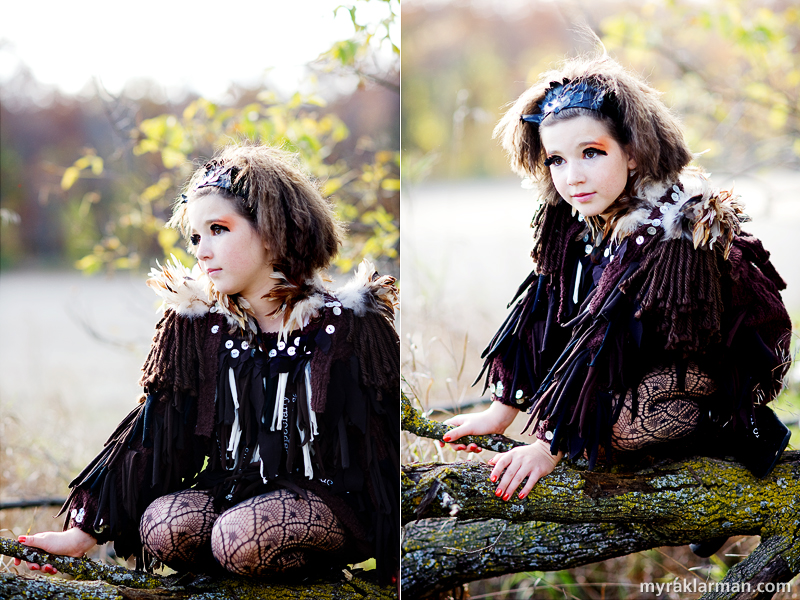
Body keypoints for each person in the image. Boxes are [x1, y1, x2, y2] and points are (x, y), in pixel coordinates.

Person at [442, 54, 792, 546]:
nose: (573, 177)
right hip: (630, 364)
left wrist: (548, 445)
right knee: (590, 419)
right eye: (557, 160)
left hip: (698, 373)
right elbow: (544, 314)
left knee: (615, 429)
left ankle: (732, 440)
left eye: (591, 152)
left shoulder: (670, 231)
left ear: (632, 152)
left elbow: (608, 340)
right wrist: (502, 411)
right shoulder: (577, 211)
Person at [15, 144, 400, 581]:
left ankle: (309, 578)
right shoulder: (199, 327)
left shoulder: (346, 325)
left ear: (274, 230)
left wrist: (393, 556)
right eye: (196, 237)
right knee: (164, 524)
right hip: (233, 492)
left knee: (241, 536)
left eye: (218, 229)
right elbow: (155, 434)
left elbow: (378, 445)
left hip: (327, 500)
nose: (202, 250)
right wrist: (83, 533)